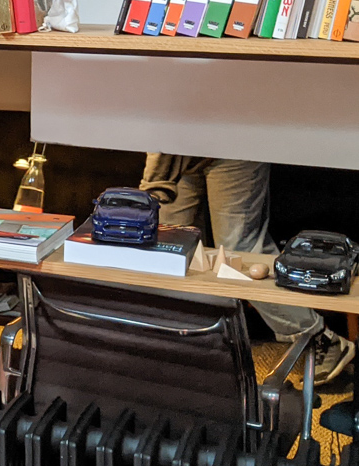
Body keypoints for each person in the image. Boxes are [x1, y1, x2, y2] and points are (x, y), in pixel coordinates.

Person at [141, 154, 354, 385]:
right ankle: (190, 339)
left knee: (240, 251)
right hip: (177, 151)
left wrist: (151, 185)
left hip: (233, 139)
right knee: (171, 243)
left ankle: (317, 336)